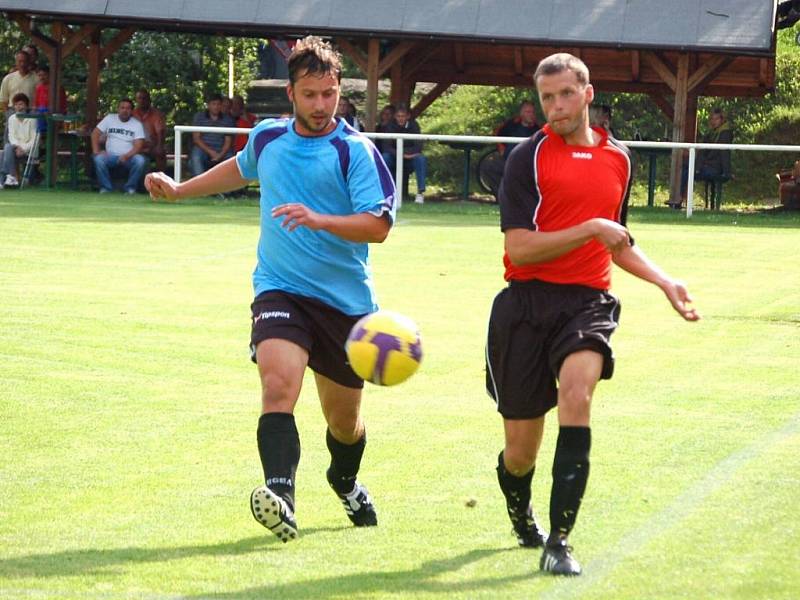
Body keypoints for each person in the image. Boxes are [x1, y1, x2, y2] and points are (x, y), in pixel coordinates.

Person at [144, 36, 396, 544]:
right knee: (278, 386)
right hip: (278, 289)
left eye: (329, 94)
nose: (321, 105)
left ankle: (343, 480)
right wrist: (179, 190)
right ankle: (281, 498)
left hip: (344, 304)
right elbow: (235, 171)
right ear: (291, 93)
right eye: (310, 95)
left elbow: (378, 226)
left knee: (344, 423)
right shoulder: (266, 138)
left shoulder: (355, 151)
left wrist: (318, 219)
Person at [485, 53, 699, 577]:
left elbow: (617, 241)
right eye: (547, 98)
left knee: (576, 395)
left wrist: (664, 280)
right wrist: (590, 227)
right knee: (520, 452)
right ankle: (520, 506)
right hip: (526, 303)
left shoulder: (618, 159)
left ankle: (560, 539)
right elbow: (521, 248)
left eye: (564, 95)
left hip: (587, 302)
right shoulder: (525, 159)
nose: (555, 107)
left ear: (587, 94)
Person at [676, 108, 733, 208]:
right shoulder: (712, 133)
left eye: (716, 119)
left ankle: (680, 199)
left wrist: (727, 172)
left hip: (715, 168)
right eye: (712, 119)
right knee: (685, 167)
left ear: (722, 119)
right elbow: (703, 148)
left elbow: (723, 153)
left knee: (686, 170)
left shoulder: (725, 134)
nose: (713, 121)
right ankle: (681, 198)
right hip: (706, 165)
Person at [483, 101, 540, 198]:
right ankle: (502, 197)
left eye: (532, 112)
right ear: (521, 113)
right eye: (528, 112)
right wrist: (501, 149)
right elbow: (497, 134)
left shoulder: (538, 129)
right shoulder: (511, 125)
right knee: (489, 166)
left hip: (528, 164)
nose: (531, 115)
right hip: (507, 160)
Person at [91, 98, 147, 194]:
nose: (125, 110)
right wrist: (96, 151)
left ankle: (130, 188)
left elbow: (139, 146)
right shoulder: (109, 118)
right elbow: (95, 134)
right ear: (118, 109)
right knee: (98, 159)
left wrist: (126, 156)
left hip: (129, 157)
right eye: (122, 108)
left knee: (140, 160)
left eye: (128, 108)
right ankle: (106, 188)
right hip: (110, 156)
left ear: (132, 111)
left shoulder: (137, 124)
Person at [383, 104, 426, 203]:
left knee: (421, 159)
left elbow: (418, 146)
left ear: (408, 116)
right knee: (385, 157)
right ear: (395, 117)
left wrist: (406, 155)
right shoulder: (390, 126)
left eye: (403, 116)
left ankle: (420, 193)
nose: (401, 119)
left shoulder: (414, 126)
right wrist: (400, 154)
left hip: (410, 159)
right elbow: (386, 147)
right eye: (398, 116)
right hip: (394, 158)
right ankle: (385, 192)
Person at [190, 93, 234, 177]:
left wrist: (219, 155)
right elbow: (196, 139)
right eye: (213, 104)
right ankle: (200, 186)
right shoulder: (199, 117)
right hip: (203, 148)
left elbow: (228, 142)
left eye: (218, 104)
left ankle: (226, 189)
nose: (216, 107)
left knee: (231, 159)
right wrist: (211, 152)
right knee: (196, 156)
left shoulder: (228, 120)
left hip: (222, 149)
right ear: (208, 105)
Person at [0, 93, 36, 188]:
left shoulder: (32, 120)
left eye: (21, 104)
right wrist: (17, 147)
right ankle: (9, 177)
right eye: (16, 105)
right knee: (2, 152)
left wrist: (23, 149)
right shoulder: (12, 119)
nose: (18, 107)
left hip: (28, 151)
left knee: (5, 150)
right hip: (14, 149)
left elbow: (34, 139)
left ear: (26, 106)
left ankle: (7, 178)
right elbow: (11, 136)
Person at [1, 51, 37, 142]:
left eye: (24, 61)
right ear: (16, 62)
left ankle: (28, 153)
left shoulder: (36, 78)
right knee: (10, 135)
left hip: (30, 111)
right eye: (19, 61)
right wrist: (8, 114)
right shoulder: (8, 78)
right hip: (12, 110)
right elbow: (3, 99)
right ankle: (8, 152)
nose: (22, 64)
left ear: (29, 62)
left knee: (29, 136)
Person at [133, 89, 167, 173]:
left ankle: (161, 179)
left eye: (144, 98)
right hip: (135, 145)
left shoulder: (156, 114)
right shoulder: (132, 114)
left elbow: (160, 131)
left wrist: (159, 146)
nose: (142, 101)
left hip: (151, 145)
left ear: (149, 100)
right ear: (136, 100)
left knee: (160, 153)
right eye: (139, 98)